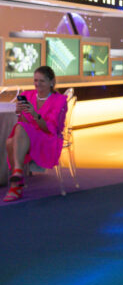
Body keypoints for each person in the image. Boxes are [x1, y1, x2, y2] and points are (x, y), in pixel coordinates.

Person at [4, 66, 68, 202]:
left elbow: (50, 129)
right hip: (29, 134)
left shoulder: (60, 100)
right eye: (35, 80)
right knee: (12, 138)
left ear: (52, 82)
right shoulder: (27, 95)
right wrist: (18, 111)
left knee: (14, 137)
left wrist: (34, 113)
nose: (37, 84)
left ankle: (16, 182)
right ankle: (18, 176)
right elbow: (23, 120)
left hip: (47, 137)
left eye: (42, 81)